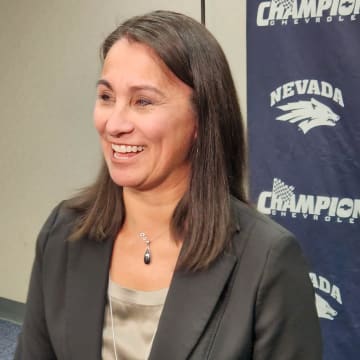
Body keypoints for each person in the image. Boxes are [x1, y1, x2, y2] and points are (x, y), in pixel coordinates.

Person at [15, 10, 322, 360]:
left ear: (201, 120)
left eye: (142, 101)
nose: (114, 123)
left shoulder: (267, 259)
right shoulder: (63, 232)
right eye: (106, 97)